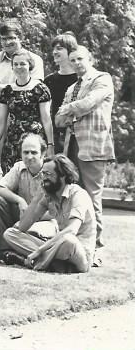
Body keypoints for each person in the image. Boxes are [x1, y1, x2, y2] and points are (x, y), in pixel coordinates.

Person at [56, 45, 114, 248]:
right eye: (72, 60)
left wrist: (69, 109)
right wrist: (69, 112)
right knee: (73, 196)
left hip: (93, 147)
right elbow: (58, 120)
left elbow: (89, 102)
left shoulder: (102, 78)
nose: (76, 63)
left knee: (92, 197)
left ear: (90, 58)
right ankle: (77, 242)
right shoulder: (72, 88)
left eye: (80, 59)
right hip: (70, 147)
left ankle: (96, 245)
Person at [3, 155, 96, 273]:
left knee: (68, 240)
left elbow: (71, 230)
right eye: (43, 174)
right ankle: (55, 264)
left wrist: (39, 250)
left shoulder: (78, 194)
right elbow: (23, 227)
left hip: (78, 252)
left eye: (48, 174)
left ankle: (37, 262)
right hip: (57, 248)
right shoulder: (49, 196)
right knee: (10, 233)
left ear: (62, 176)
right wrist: (37, 198)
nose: (44, 179)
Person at [0, 21, 45, 155]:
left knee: (24, 157)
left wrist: (1, 89)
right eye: (4, 39)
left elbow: (33, 90)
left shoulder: (35, 59)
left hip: (25, 116)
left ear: (20, 38)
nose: (7, 42)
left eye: (11, 38)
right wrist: (17, 88)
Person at [0, 134, 58, 256]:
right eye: (25, 152)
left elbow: (56, 211)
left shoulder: (52, 171)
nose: (29, 156)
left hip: (44, 219)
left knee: (36, 232)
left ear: (43, 154)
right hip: (22, 214)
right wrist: (19, 200)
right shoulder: (19, 167)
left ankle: (34, 250)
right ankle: (5, 250)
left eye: (34, 152)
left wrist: (30, 218)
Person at [0, 50, 54, 173]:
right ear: (12, 67)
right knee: (11, 174)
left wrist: (50, 144)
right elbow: (1, 120)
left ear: (30, 65)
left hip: (34, 139)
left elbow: (46, 119)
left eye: (23, 64)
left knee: (34, 173)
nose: (19, 67)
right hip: (13, 140)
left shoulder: (40, 89)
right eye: (16, 64)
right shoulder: (7, 91)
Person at [43, 32, 78, 154]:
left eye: (59, 48)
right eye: (54, 49)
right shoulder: (49, 81)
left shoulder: (81, 79)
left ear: (71, 51)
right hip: (56, 137)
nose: (54, 52)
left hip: (78, 136)